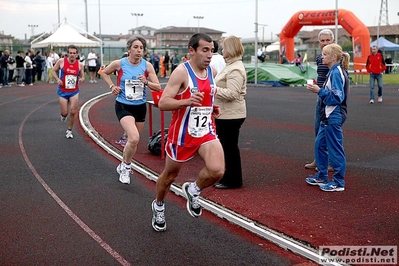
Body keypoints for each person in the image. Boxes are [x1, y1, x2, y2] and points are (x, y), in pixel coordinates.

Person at [151, 33, 225, 232]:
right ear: (192, 50)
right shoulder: (181, 72)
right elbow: (163, 102)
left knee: (217, 170)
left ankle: (193, 190)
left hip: (205, 131)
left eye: (212, 51)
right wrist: (186, 101)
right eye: (205, 50)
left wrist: (211, 107)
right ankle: (158, 205)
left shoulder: (213, 71)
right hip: (182, 135)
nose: (209, 55)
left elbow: (206, 98)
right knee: (169, 177)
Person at [101, 36, 161, 185]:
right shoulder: (119, 64)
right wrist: (111, 86)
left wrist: (146, 82)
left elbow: (158, 86)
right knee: (133, 138)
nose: (139, 50)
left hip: (140, 107)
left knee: (133, 142)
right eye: (136, 47)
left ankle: (123, 164)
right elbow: (103, 72)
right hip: (123, 105)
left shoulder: (147, 66)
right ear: (129, 49)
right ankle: (127, 167)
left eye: (141, 48)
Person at [305, 43, 350, 192]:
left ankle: (338, 182)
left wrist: (319, 91)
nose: (322, 56)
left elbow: (337, 97)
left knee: (335, 149)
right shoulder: (333, 71)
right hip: (328, 116)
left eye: (324, 54)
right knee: (320, 145)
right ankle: (322, 175)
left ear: (333, 57)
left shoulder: (336, 72)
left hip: (333, 116)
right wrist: (319, 89)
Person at [213, 36, 247, 189]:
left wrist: (213, 90)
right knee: (228, 147)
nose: (222, 50)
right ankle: (229, 177)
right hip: (226, 113)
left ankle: (232, 180)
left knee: (230, 148)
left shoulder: (235, 68)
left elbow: (233, 93)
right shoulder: (231, 66)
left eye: (224, 48)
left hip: (231, 114)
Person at [304, 29, 335, 172]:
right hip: (320, 97)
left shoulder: (338, 58)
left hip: (331, 99)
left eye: (328, 40)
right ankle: (319, 159)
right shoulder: (319, 58)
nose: (325, 43)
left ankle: (330, 162)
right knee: (318, 130)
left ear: (333, 41)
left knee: (329, 131)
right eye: (322, 40)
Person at [51, 44, 85, 139]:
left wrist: (82, 79)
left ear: (77, 54)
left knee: (73, 111)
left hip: (74, 91)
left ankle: (69, 130)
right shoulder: (61, 61)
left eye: (74, 53)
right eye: (70, 53)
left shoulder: (80, 65)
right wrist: (57, 79)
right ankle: (63, 115)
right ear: (67, 53)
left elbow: (82, 76)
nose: (72, 55)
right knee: (65, 113)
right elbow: (53, 71)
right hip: (63, 91)